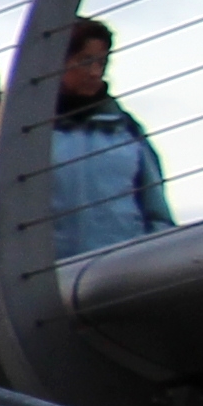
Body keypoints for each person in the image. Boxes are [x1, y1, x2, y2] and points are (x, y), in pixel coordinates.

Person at [52, 17, 177, 254]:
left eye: (102, 62)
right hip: (52, 274)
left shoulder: (125, 129)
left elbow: (156, 209)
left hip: (124, 269)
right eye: (85, 61)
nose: (94, 72)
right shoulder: (25, 135)